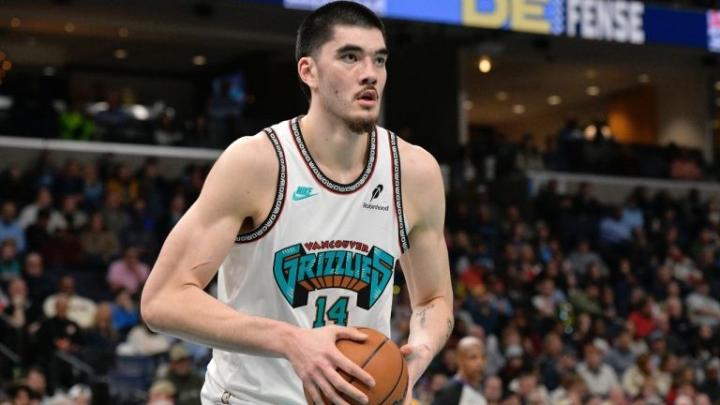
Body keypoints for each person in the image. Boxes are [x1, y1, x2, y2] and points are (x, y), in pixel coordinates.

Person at [141, 2, 453, 405]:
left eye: (379, 59)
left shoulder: (413, 172)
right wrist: (291, 341)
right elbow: (163, 299)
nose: (370, 73)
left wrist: (420, 353)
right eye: (350, 57)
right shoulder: (257, 162)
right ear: (309, 71)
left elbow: (433, 299)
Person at [431, 336, 487, 405]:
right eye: (473, 357)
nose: (480, 363)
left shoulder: (484, 390)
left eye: (483, 357)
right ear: (459, 359)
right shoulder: (448, 394)